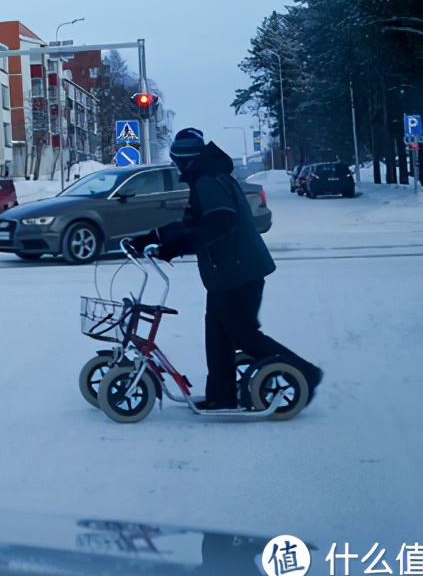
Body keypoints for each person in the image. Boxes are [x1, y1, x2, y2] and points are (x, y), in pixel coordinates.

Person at [130, 128, 323, 411]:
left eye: (176, 161)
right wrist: (161, 241)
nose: (176, 166)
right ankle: (221, 396)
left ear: (184, 160)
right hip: (226, 273)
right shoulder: (209, 178)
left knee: (241, 334)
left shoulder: (208, 181)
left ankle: (305, 372)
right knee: (218, 336)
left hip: (238, 271)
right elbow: (194, 226)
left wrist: (167, 240)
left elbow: (219, 221)